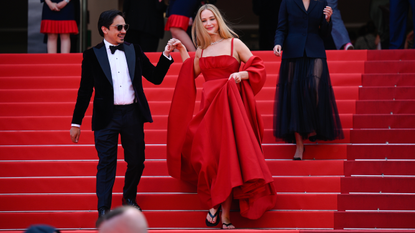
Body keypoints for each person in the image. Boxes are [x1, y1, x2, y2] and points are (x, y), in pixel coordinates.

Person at [166, 4, 277, 229]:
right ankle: (216, 204)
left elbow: (258, 66)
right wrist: (181, 50)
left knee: (228, 160)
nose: (208, 24)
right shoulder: (202, 50)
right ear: (199, 25)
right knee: (208, 159)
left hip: (231, 109)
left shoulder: (234, 43)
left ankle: (223, 214)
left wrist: (241, 74)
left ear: (218, 20)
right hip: (209, 110)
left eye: (212, 19)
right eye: (204, 21)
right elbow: (191, 71)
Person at [70, 10, 174, 218]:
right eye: (119, 27)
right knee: (106, 164)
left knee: (136, 161)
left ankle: (129, 197)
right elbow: (84, 90)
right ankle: (104, 210)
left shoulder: (134, 49)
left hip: (132, 115)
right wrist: (76, 122)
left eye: (125, 27)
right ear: (104, 29)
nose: (124, 31)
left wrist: (166, 55)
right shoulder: (92, 55)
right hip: (105, 117)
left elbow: (155, 77)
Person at [273, 0, 344, 160]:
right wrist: (278, 44)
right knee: (294, 97)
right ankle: (299, 145)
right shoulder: (287, 2)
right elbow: (281, 28)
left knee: (314, 87)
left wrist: (327, 20)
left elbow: (325, 33)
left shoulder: (321, 2)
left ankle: (312, 124)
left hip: (315, 50)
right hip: (293, 52)